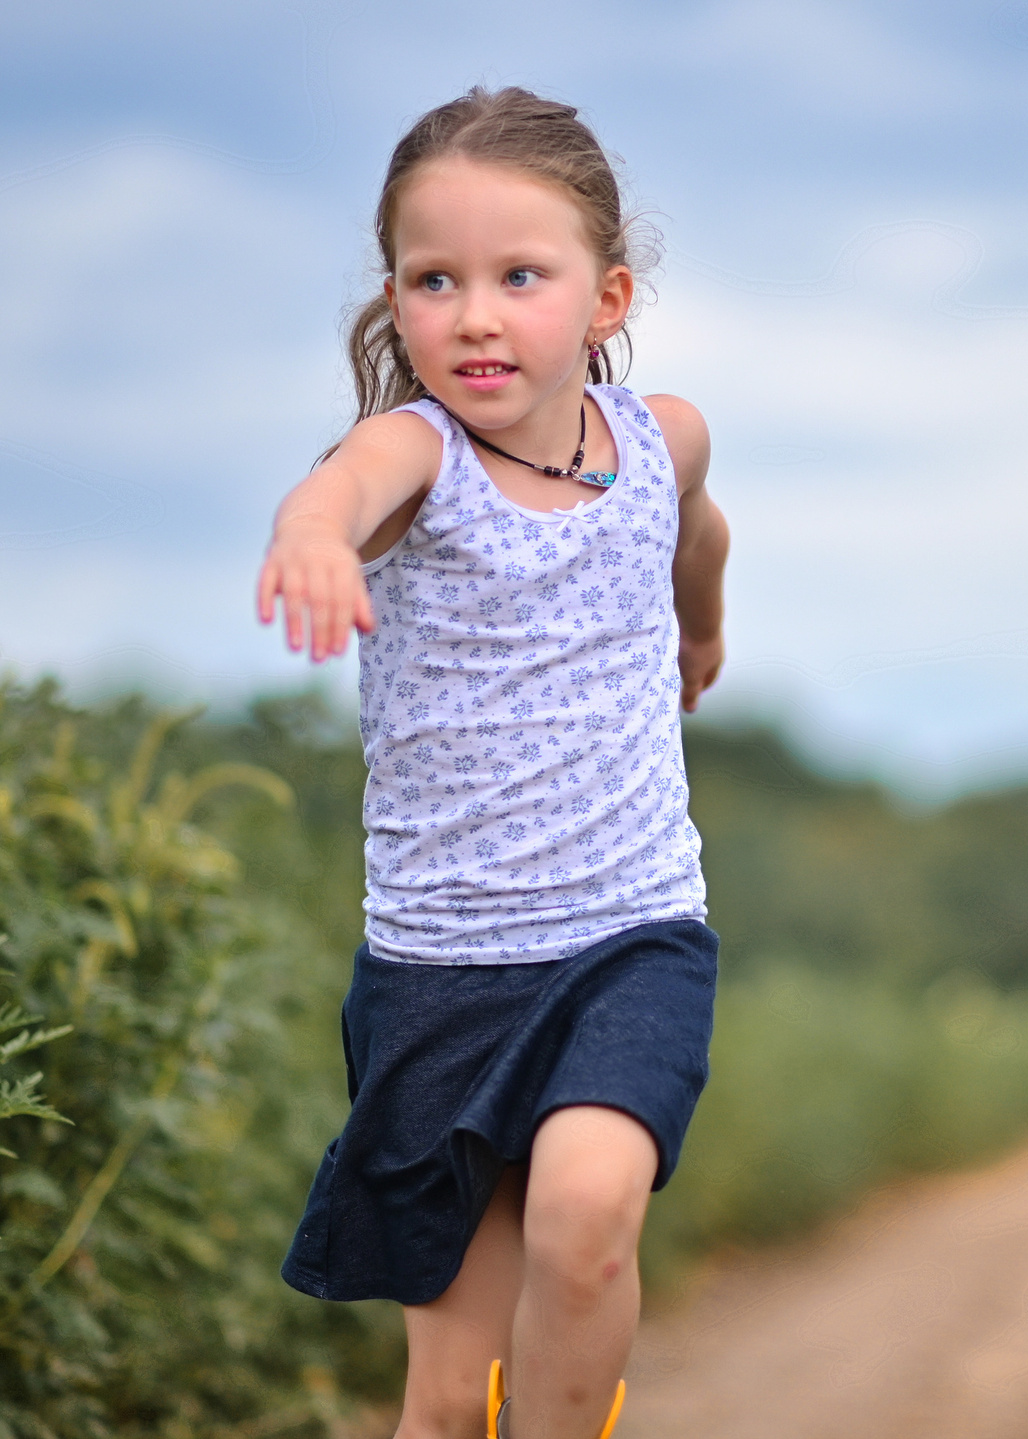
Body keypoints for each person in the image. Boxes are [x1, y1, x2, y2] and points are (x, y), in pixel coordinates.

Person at [255, 85, 729, 1439]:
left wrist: (701, 623)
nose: (474, 314)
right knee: (449, 1403)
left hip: (627, 936)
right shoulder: (415, 457)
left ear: (608, 295)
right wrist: (309, 534)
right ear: (395, 299)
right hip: (440, 974)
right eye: (434, 279)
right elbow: (339, 486)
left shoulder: (658, 441)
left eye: (521, 276)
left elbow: (699, 528)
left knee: (587, 1211)